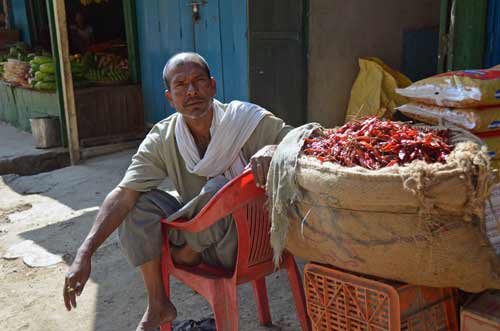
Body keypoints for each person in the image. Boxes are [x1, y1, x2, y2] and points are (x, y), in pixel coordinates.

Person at [62, 52, 292, 331]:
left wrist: (275, 149)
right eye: (181, 85)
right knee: (136, 205)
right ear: (170, 97)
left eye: (198, 81)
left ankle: (186, 252)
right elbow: (123, 195)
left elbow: (306, 139)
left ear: (213, 86)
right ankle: (158, 303)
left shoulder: (244, 120)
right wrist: (84, 253)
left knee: (220, 188)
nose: (192, 91)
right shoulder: (164, 137)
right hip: (202, 235)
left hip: (253, 242)